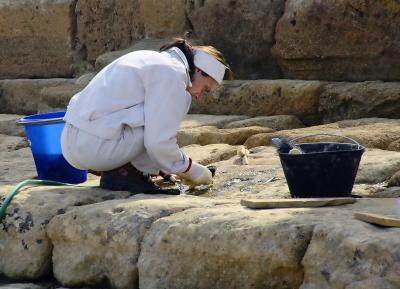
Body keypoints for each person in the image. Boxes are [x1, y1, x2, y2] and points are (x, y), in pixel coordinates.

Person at [61, 37, 233, 194]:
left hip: (72, 143)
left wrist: (160, 168)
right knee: (159, 123)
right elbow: (158, 142)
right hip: (93, 148)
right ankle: (124, 173)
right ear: (199, 71)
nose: (199, 96)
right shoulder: (174, 74)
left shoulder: (153, 59)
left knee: (156, 117)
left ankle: (128, 171)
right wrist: (192, 170)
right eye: (205, 89)